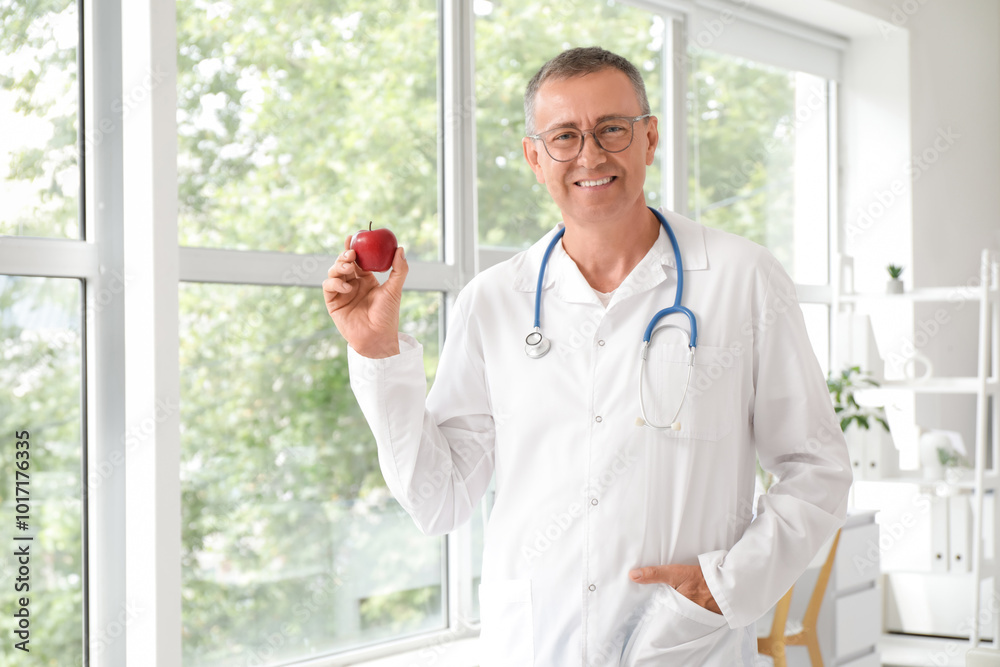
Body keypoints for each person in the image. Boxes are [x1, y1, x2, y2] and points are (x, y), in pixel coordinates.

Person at [324, 46, 852, 666]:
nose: (591, 155)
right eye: (564, 136)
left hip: (683, 645)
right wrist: (376, 351)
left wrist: (727, 586)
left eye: (612, 129)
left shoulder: (743, 277)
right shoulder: (493, 301)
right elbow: (438, 501)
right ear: (534, 157)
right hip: (533, 645)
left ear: (649, 138)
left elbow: (816, 467)